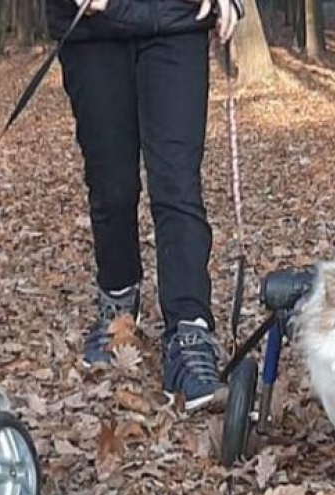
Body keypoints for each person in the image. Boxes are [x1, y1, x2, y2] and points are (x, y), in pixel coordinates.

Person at [47, 0, 243, 411]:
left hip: (177, 20)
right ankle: (118, 304)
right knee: (111, 185)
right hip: (94, 31)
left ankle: (190, 331)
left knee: (177, 184)